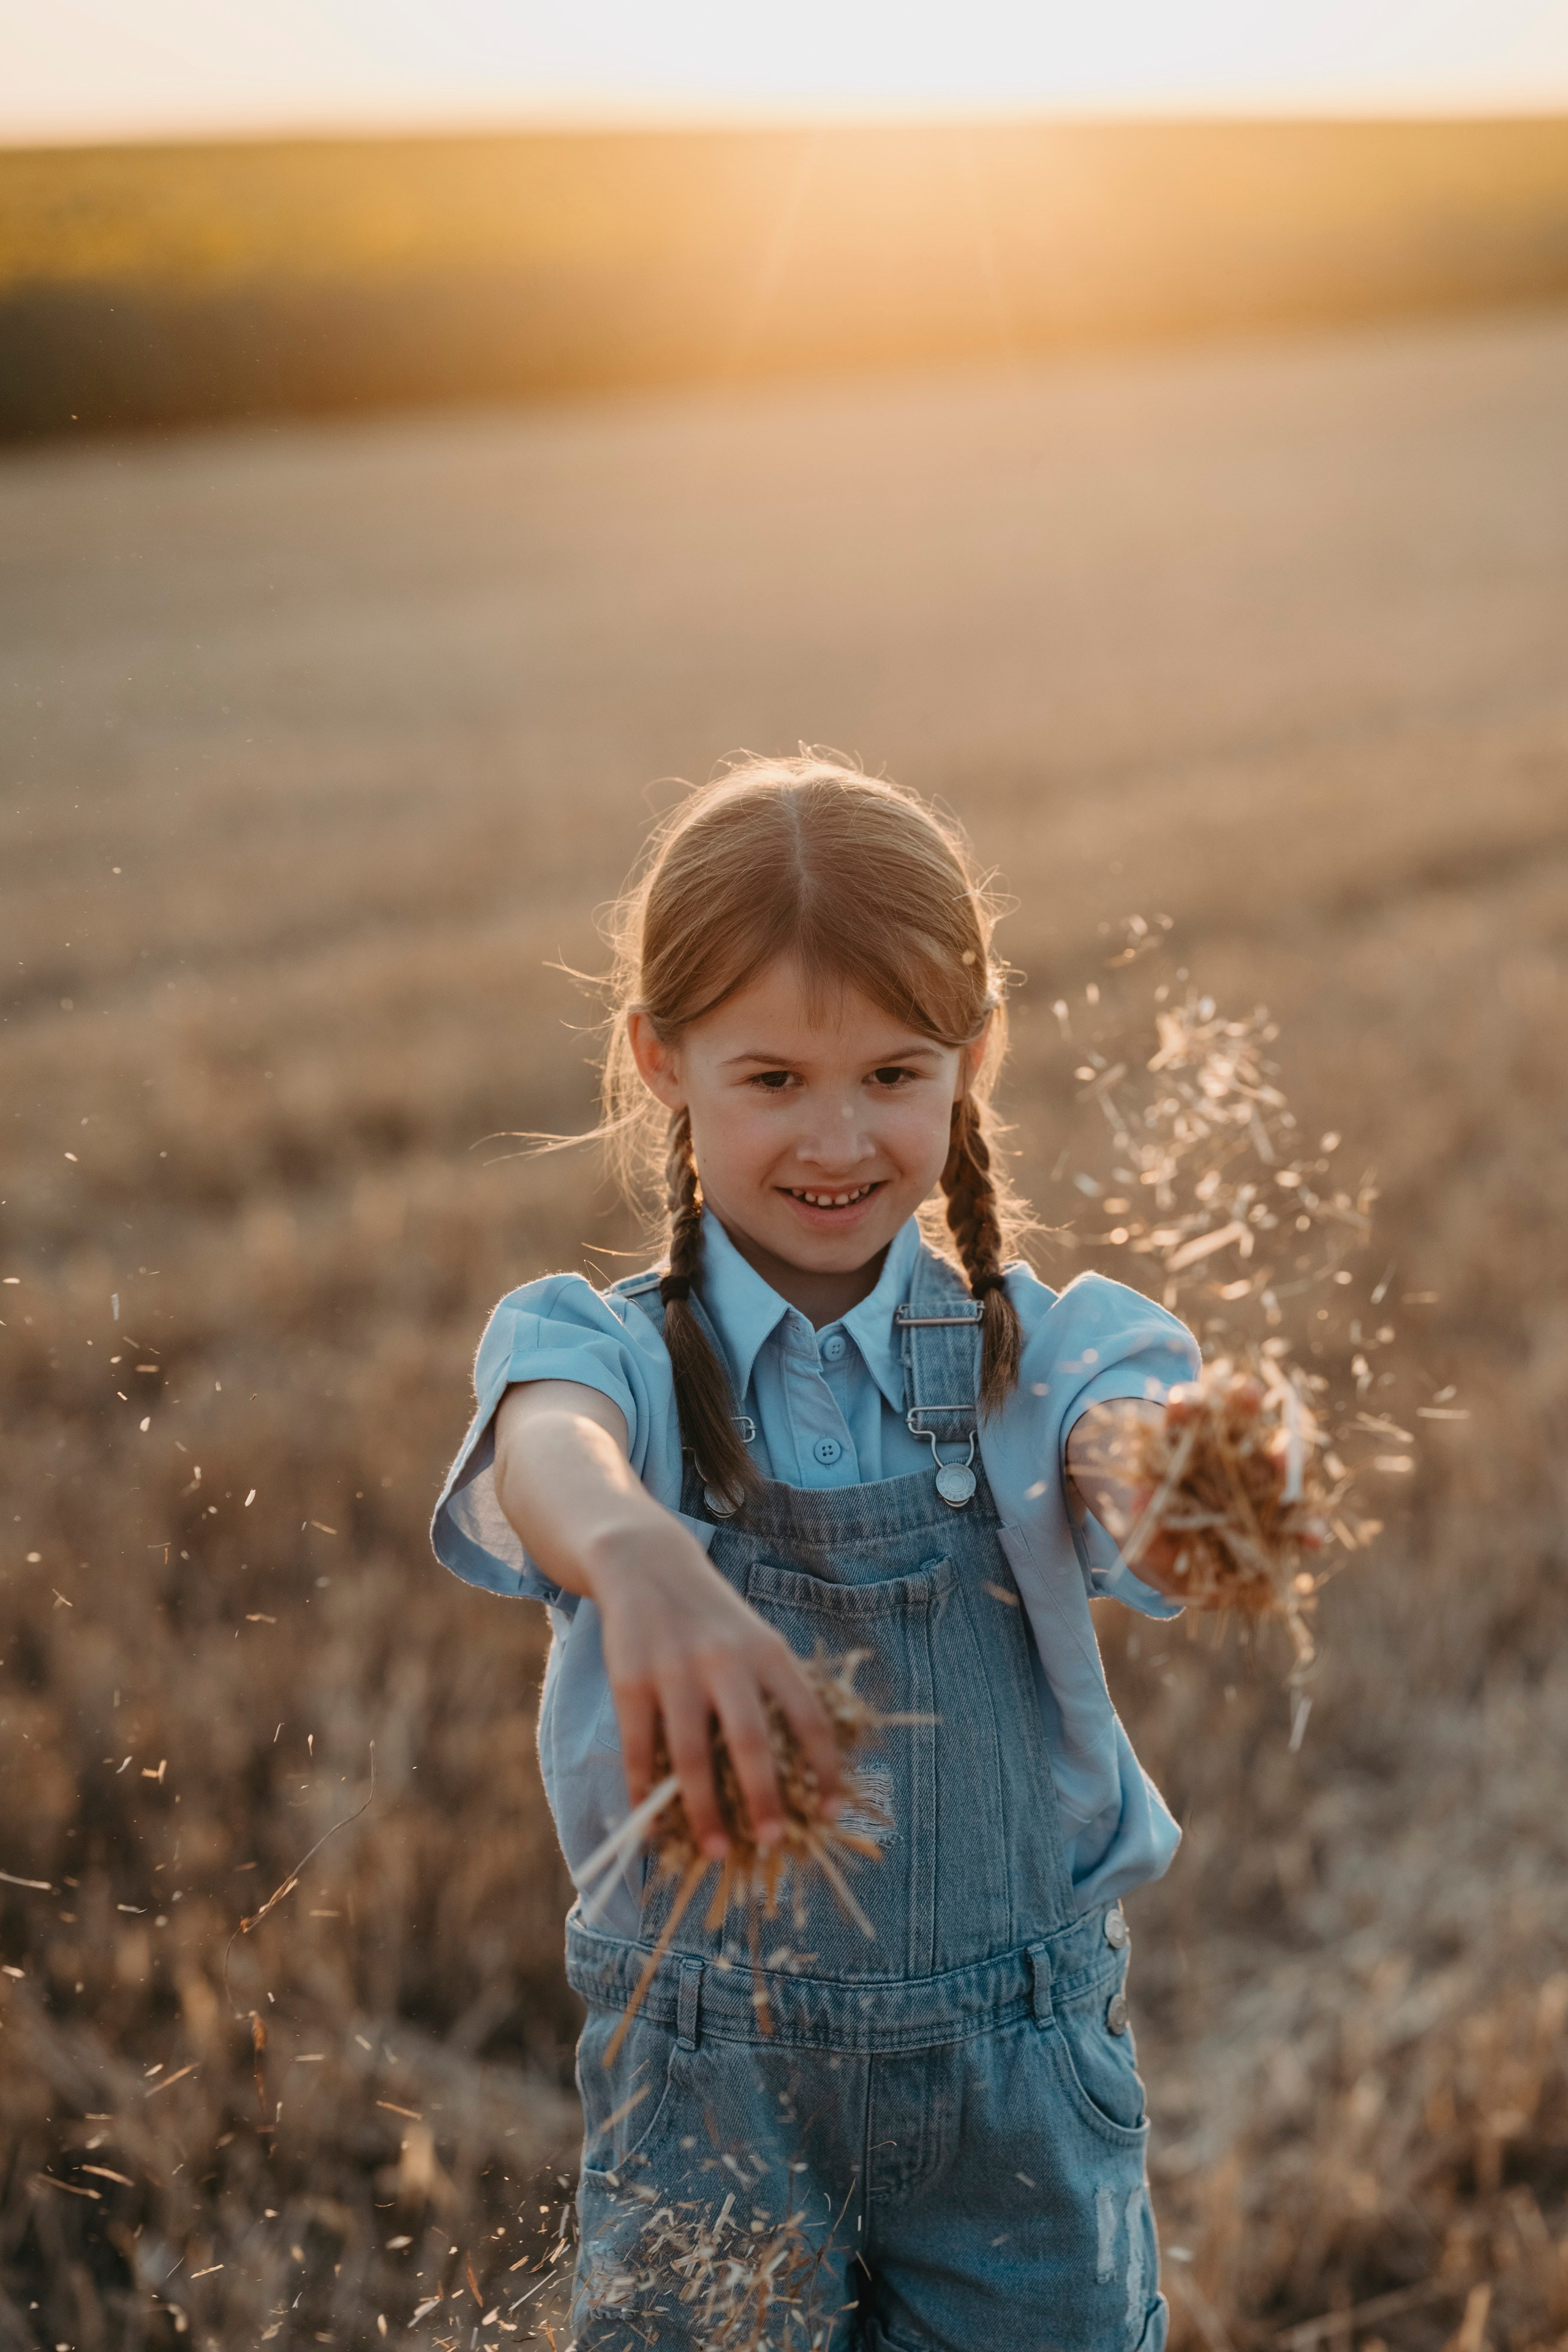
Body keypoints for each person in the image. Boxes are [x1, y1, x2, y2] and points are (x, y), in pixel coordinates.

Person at [432, 755, 1212, 2352]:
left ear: (974, 1059)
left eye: (894, 1074)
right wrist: (641, 1554)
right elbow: (551, 1450)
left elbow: (1132, 1450)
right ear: (661, 1061)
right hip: (705, 2100)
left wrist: (1164, 1474)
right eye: (772, 1078)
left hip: (1021, 2089)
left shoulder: (1049, 1358)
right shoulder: (607, 1358)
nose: (839, 1137)